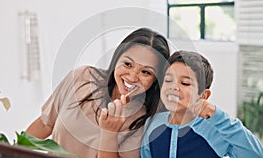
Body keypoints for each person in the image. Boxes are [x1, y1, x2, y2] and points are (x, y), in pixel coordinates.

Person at [26, 27, 170, 158]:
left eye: (145, 72)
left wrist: (110, 133)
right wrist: (7, 153)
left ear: (156, 79)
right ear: (117, 59)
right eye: (127, 64)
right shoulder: (81, 78)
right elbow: (45, 125)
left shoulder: (146, 121)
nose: (132, 77)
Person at [141, 50, 263, 158]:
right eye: (168, 80)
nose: (174, 87)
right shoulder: (152, 124)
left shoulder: (216, 130)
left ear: (204, 95)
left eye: (185, 83)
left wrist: (218, 116)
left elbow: (257, 155)